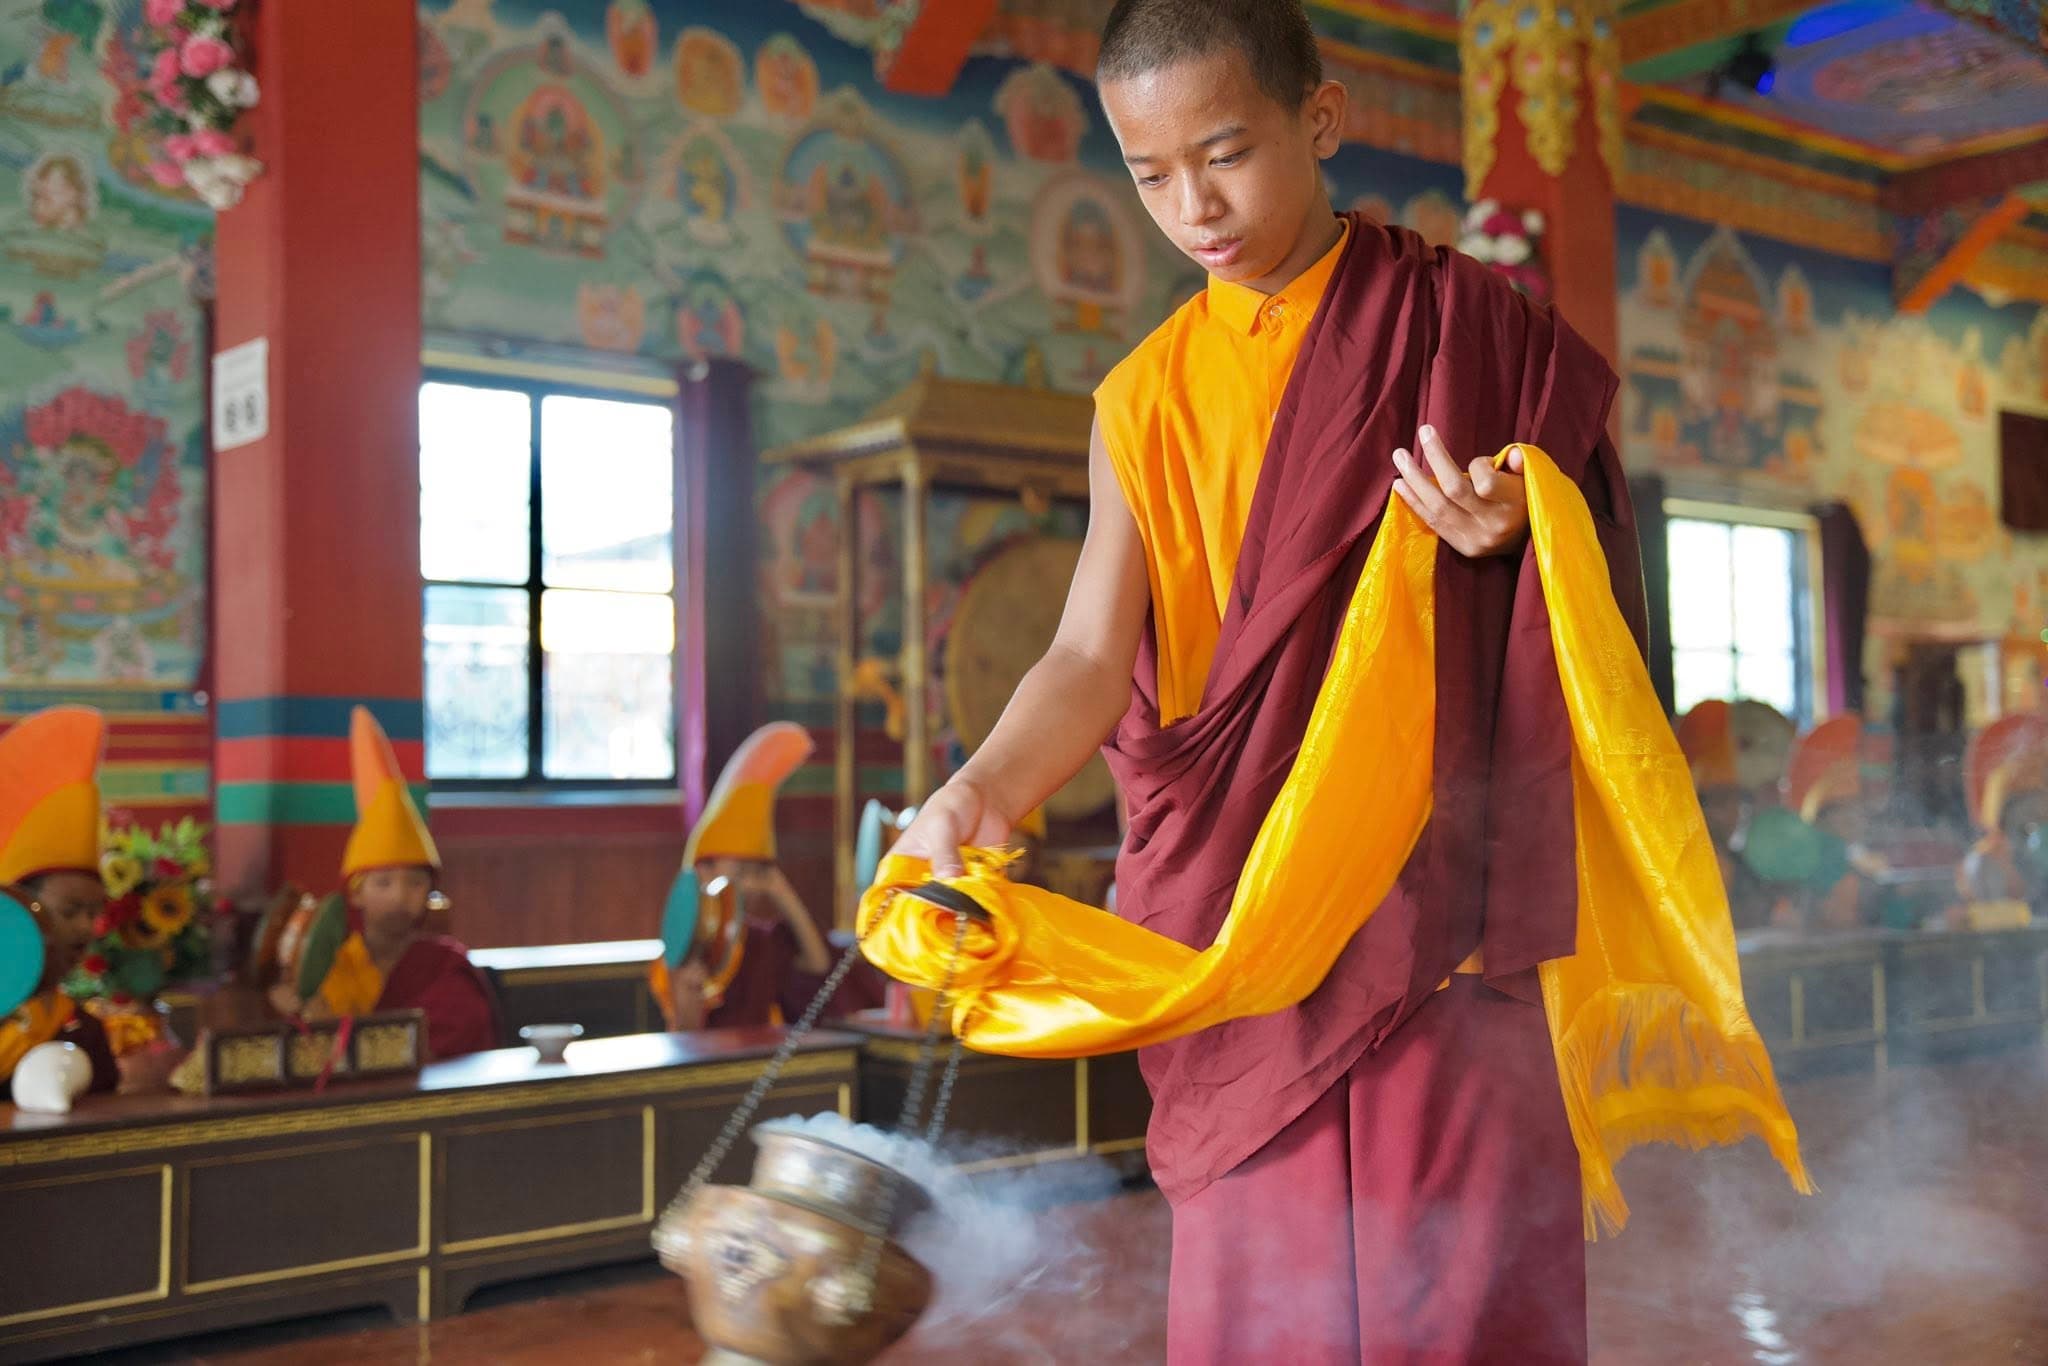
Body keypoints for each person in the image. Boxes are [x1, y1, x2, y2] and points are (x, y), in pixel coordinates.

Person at [878, 4, 1802, 1362]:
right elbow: (1087, 654)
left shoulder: (1467, 329)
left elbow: (1585, 579)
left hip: (1439, 911)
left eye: (1227, 152)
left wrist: (1521, 523)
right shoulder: (1141, 400)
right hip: (1235, 921)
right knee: (1265, 1304)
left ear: (1322, 119)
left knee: (1465, 1294)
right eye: (1150, 173)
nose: (1195, 205)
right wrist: (977, 789)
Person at [271, 708, 499, 1060]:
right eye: (383, 883)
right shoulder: (334, 962)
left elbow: (446, 1035)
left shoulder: (444, 965)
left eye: (415, 884)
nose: (400, 897)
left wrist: (336, 1032)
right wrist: (295, 1008)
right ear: (356, 893)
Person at [649, 723, 831, 1031]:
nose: (748, 885)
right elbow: (684, 1036)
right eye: (739, 872)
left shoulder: (760, 940)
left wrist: (782, 892)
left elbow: (818, 965)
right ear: (703, 870)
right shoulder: (688, 943)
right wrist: (688, 994)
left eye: (756, 874)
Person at [0, 707, 118, 1099]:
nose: (86, 929)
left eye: (93, 913)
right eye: (70, 912)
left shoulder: (80, 1029)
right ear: (17, 911)